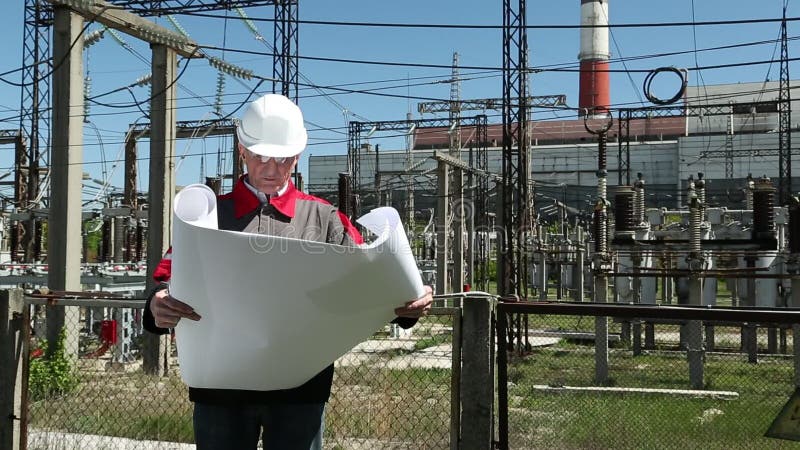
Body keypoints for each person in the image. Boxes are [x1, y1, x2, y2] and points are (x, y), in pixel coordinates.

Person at [142, 93, 433, 450]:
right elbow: (164, 282)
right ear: (242, 151)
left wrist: (408, 304)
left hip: (300, 389)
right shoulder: (206, 218)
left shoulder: (325, 219)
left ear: (296, 156)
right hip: (221, 390)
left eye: (281, 159)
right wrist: (156, 304)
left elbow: (373, 278)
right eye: (260, 157)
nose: (270, 168)